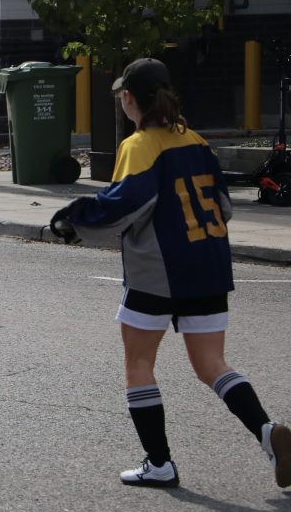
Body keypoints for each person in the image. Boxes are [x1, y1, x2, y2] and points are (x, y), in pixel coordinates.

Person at [51, 58, 290, 489]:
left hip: (158, 272)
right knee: (213, 364)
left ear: (128, 99)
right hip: (210, 265)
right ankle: (267, 432)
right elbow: (225, 206)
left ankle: (159, 463)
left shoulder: (139, 145)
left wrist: (72, 219)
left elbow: (125, 204)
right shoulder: (196, 141)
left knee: (139, 362)